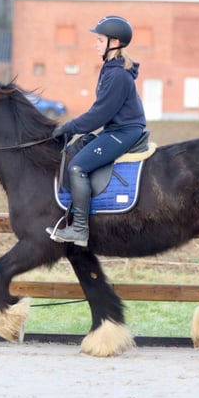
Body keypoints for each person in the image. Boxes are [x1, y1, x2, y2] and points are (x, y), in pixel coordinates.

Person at [47, 15, 147, 247]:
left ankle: (80, 229)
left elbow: (99, 113)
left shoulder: (118, 75)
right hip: (116, 128)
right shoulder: (111, 68)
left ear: (114, 43)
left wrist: (68, 128)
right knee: (76, 150)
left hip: (124, 132)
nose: (96, 43)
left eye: (100, 40)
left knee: (78, 166)